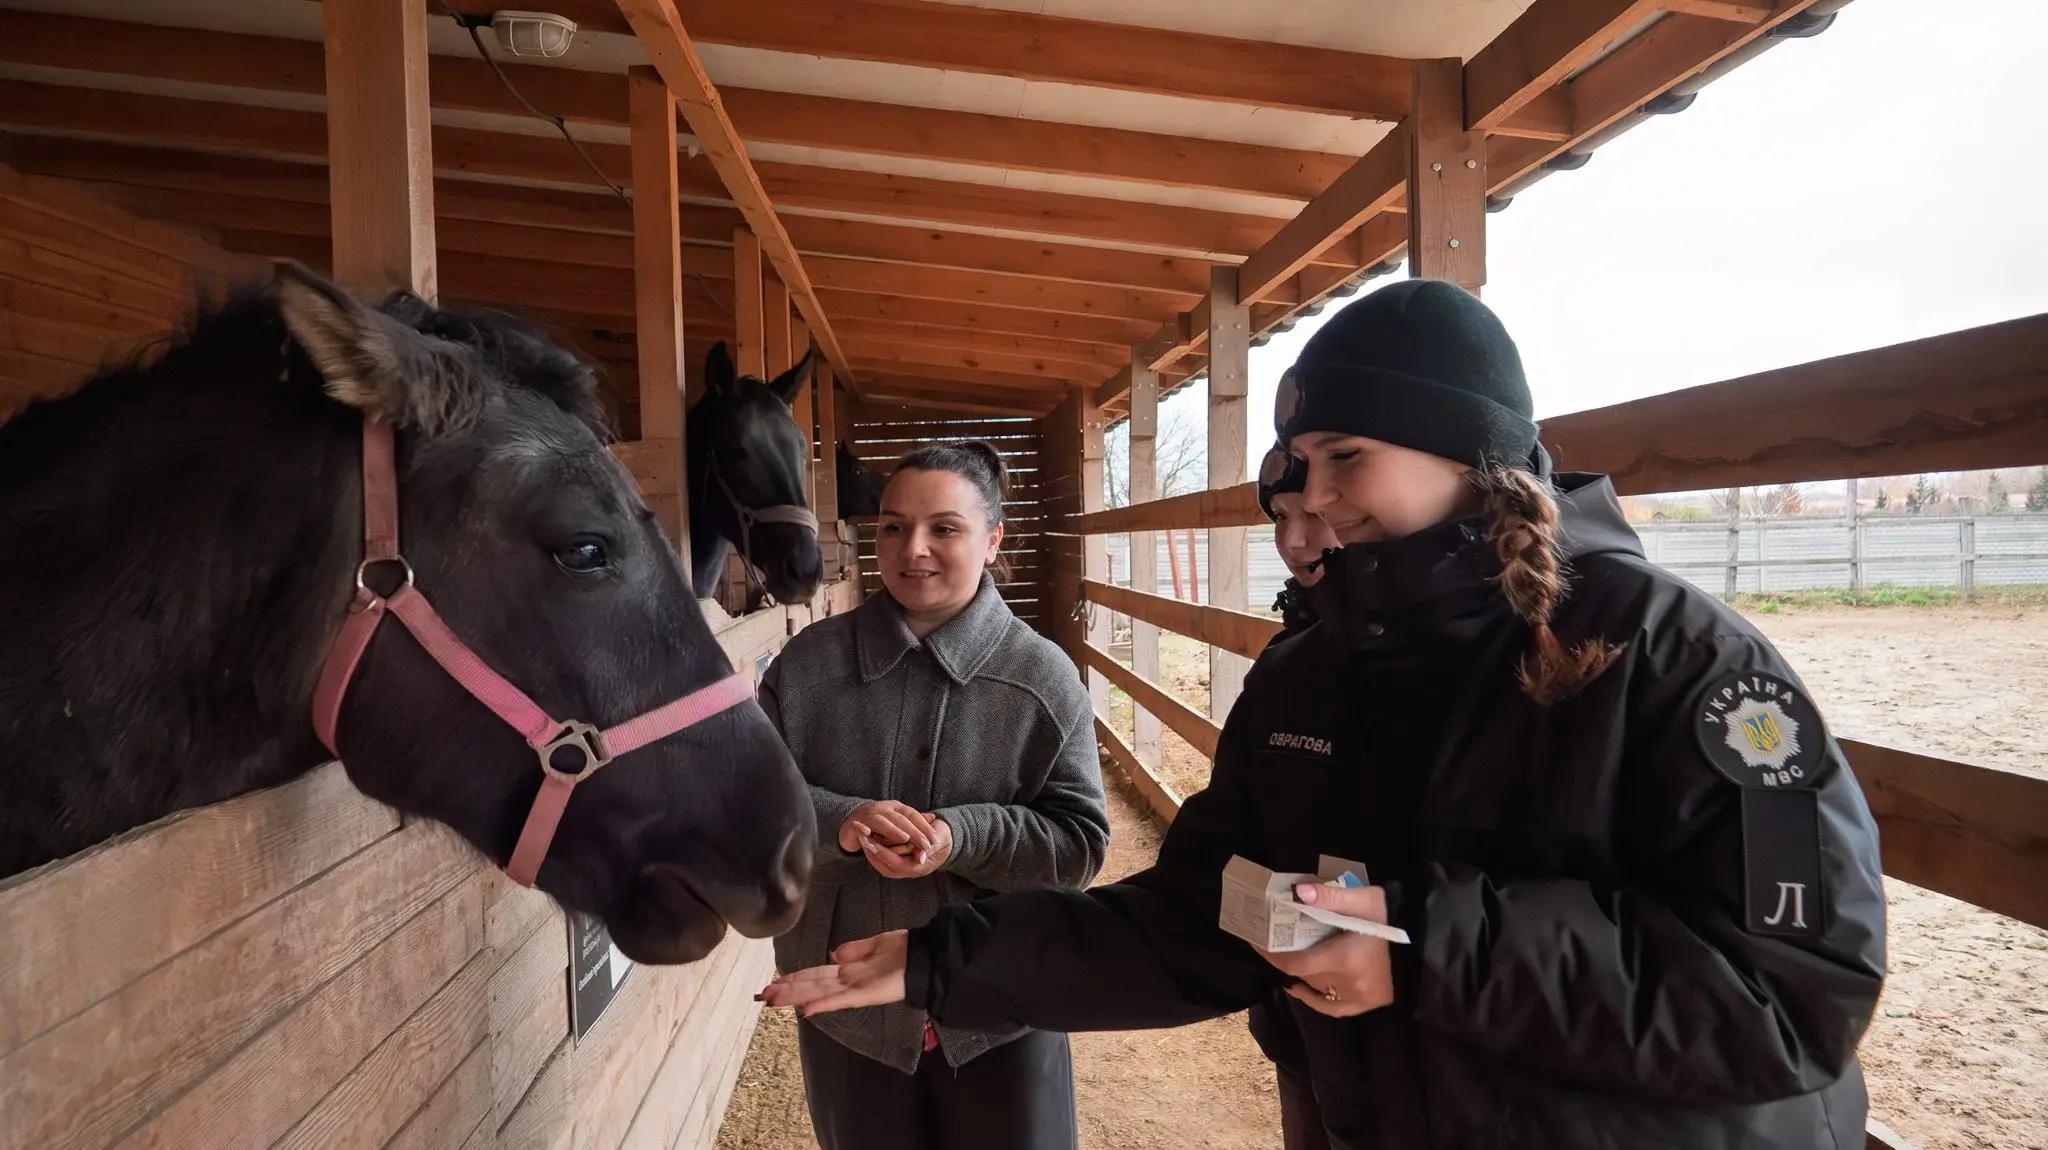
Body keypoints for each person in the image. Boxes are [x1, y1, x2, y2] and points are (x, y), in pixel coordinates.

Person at [762, 280, 1887, 1150]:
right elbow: (1202, 918)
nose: (1316, 499)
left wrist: (1425, 953)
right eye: (1301, 465)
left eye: (1347, 458)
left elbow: (1795, 989)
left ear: (1473, 452)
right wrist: (948, 960)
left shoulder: (1680, 660)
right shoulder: (1312, 673)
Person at [756, 440, 1110, 1150]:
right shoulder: (806, 669)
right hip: (847, 1007)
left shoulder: (1043, 678)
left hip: (1002, 1007)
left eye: (944, 528)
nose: (912, 549)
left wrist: (962, 836)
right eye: (893, 526)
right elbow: (751, 808)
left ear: (993, 539)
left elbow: (1078, 845)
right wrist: (841, 822)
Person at [1249, 441, 1340, 1150]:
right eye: (1281, 517)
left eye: (1314, 513)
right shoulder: (1291, 653)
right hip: (1299, 996)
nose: (1293, 542)